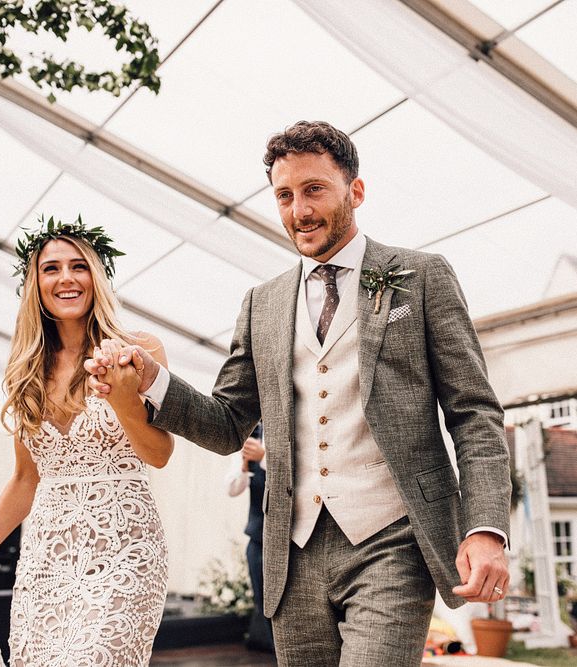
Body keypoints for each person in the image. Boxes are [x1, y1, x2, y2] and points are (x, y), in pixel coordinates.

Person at [87, 121, 513, 666]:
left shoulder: (420, 277)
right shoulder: (262, 303)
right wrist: (153, 379)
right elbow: (225, 424)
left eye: (314, 190)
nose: (299, 211)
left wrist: (486, 529)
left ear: (354, 191)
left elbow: (474, 412)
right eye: (285, 196)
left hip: (394, 540)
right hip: (293, 551)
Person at [0, 216, 173, 666]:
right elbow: (25, 480)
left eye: (79, 266)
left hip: (125, 549)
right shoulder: (25, 372)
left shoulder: (138, 350)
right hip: (48, 557)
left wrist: (122, 398)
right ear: (34, 284)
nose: (66, 278)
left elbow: (159, 454)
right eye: (51, 268)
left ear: (97, 277)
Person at [225, 423, 275, 652]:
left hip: (285, 539)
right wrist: (246, 462)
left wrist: (264, 456)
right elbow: (233, 488)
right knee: (262, 603)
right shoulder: (250, 432)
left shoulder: (281, 429)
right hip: (256, 535)